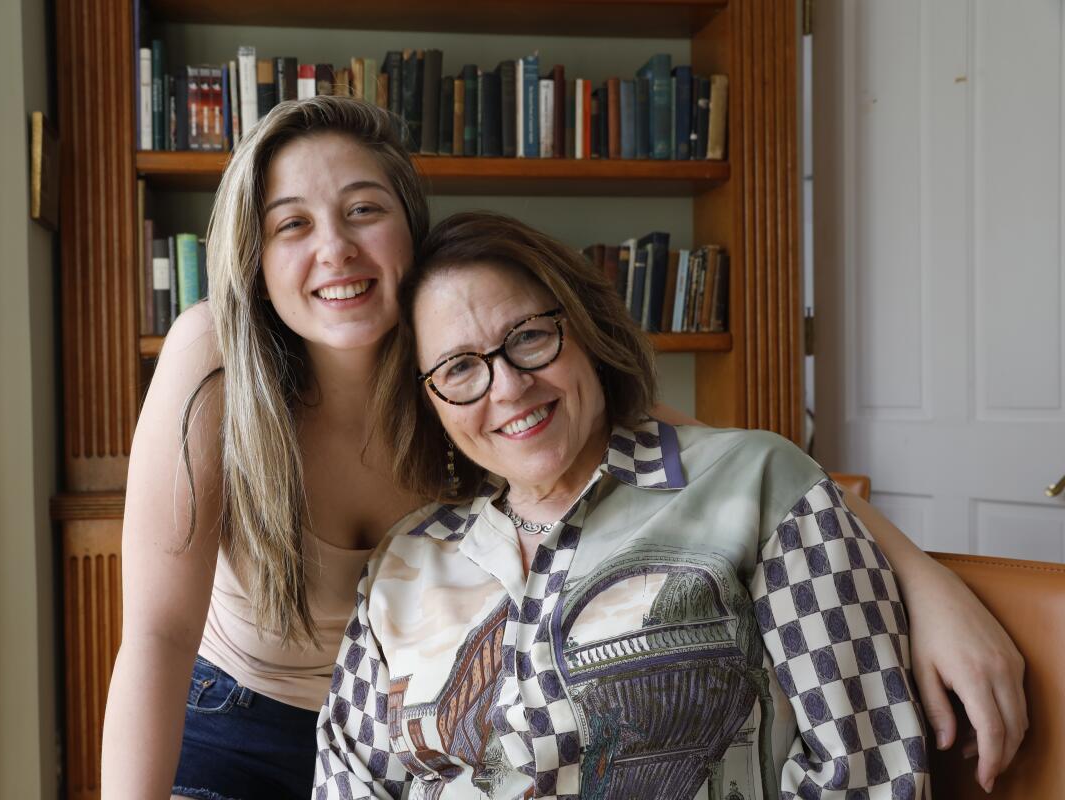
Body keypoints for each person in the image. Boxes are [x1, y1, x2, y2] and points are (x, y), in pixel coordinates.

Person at [101, 97, 1024, 800]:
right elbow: (157, 633)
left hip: (423, 736)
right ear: (253, 257)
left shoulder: (462, 365)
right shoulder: (216, 356)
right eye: (290, 223)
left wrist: (921, 576)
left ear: (410, 230)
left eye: (363, 209)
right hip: (238, 725)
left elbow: (711, 457)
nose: (334, 248)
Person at [315, 212, 936, 798]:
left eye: (529, 337)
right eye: (459, 369)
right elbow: (345, 778)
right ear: (430, 403)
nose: (508, 387)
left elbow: (868, 771)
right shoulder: (406, 558)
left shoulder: (758, 485)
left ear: (585, 329)